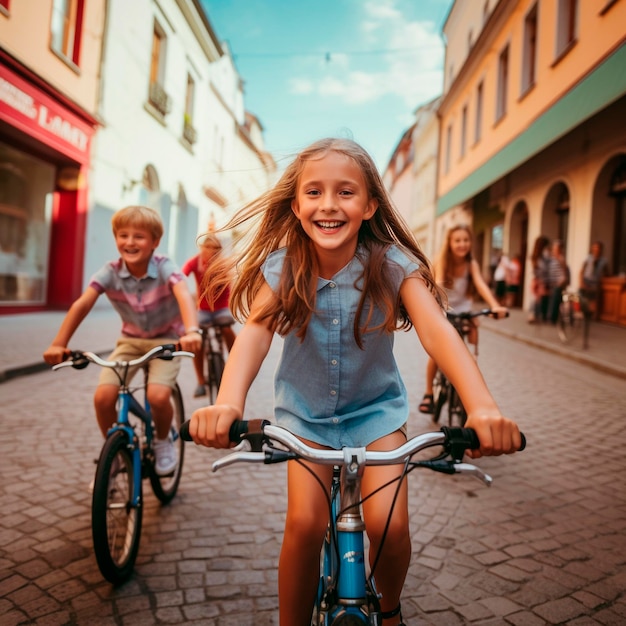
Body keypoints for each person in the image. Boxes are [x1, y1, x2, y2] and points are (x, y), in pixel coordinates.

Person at [184, 138, 522, 626]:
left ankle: (389, 609)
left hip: (376, 415)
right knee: (303, 523)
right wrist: (227, 403)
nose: (328, 204)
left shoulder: (391, 265)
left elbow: (436, 331)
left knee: (391, 524)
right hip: (304, 418)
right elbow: (255, 333)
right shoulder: (282, 266)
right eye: (314, 192)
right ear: (297, 204)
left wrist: (482, 407)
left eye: (345, 192)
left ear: (369, 206)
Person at [43, 205, 202, 477]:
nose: (130, 242)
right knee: (103, 398)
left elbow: (183, 293)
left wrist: (192, 331)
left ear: (154, 242)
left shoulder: (165, 266)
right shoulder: (110, 271)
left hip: (167, 340)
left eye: (139, 236)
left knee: (158, 395)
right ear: (116, 238)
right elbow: (83, 304)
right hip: (130, 342)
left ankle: (163, 440)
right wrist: (58, 343)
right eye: (123, 235)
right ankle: (116, 451)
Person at [419, 224, 507, 415]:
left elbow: (481, 285)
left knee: (474, 333)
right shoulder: (443, 261)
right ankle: (428, 394)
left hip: (464, 311)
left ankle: (472, 371)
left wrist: (494, 305)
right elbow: (439, 282)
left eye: (465, 240)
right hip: (445, 310)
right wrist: (436, 306)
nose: (462, 244)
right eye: (457, 240)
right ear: (450, 243)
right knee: (437, 352)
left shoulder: (471, 264)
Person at [182, 233, 237, 397]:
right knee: (197, 338)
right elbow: (180, 277)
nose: (211, 251)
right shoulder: (196, 262)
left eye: (216, 248)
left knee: (227, 329)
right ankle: (200, 381)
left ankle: (235, 364)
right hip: (204, 310)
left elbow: (231, 284)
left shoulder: (223, 264)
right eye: (208, 247)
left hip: (221, 308)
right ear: (202, 248)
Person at [579, 241, 609, 319]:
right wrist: (581, 282)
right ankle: (585, 313)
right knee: (583, 297)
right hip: (586, 280)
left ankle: (592, 315)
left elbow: (607, 272)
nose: (596, 250)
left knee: (593, 298)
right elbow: (582, 270)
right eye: (594, 248)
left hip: (595, 282)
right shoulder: (588, 258)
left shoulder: (604, 261)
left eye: (598, 248)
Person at [546, 239, 570, 324]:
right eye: (554, 247)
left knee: (556, 300)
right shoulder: (551, 258)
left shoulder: (561, 258)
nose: (554, 249)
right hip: (552, 282)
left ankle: (552, 319)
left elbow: (564, 271)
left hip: (559, 283)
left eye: (556, 248)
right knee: (557, 301)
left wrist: (562, 281)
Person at [528, 235, 550, 323]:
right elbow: (543, 269)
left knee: (536, 299)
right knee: (537, 299)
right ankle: (533, 315)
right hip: (540, 280)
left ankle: (534, 315)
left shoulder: (536, 256)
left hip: (537, 280)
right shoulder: (542, 257)